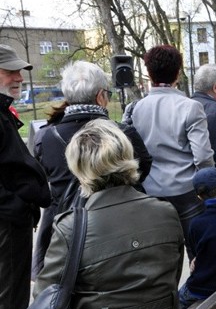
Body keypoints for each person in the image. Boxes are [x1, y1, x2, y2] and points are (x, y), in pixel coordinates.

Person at [34, 119, 184, 309]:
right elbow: (171, 278)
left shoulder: (72, 227)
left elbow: (44, 303)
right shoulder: (166, 212)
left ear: (79, 168)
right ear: (127, 156)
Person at [33, 61, 152, 277]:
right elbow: (142, 169)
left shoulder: (45, 137)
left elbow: (43, 178)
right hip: (119, 227)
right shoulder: (123, 134)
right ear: (100, 96)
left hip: (64, 231)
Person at [124, 45, 214, 258]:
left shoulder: (134, 109)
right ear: (178, 72)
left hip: (150, 192)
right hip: (187, 192)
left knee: (160, 256)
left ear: (149, 73)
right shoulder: (190, 107)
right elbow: (202, 156)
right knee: (198, 254)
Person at [0, 45, 51, 309]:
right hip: (7, 224)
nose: (18, 77)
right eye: (10, 71)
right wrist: (16, 205)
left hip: (13, 221)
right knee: (9, 308)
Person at [179, 166, 216, 309]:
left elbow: (196, 249)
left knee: (177, 300)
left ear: (199, 196)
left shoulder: (198, 224)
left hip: (205, 288)